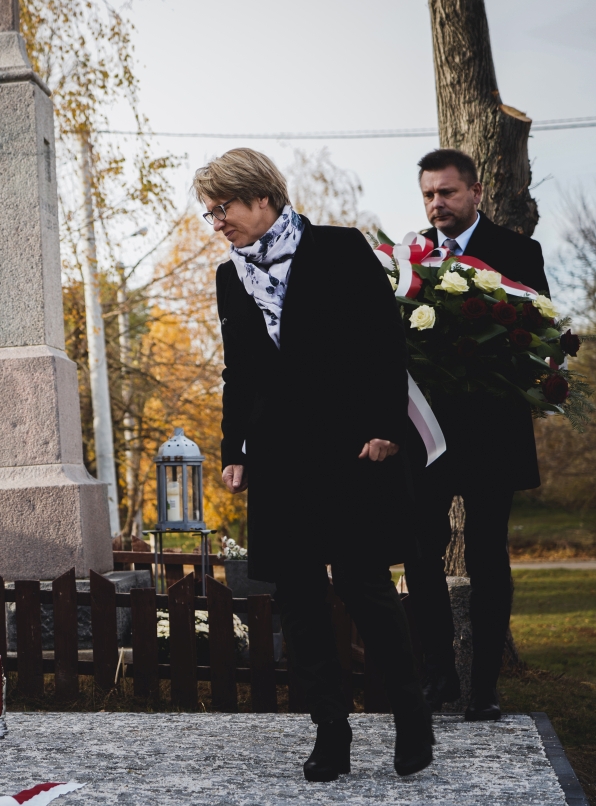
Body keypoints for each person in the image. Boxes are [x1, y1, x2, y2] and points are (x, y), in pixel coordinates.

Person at [202, 148, 432, 781]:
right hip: (278, 459)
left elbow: (386, 342)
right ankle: (331, 731)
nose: (216, 221)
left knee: (364, 587)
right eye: (210, 211)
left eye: (223, 208)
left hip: (349, 450)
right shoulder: (231, 277)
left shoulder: (336, 248)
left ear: (260, 198)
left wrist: (387, 425)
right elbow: (239, 370)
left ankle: (413, 719)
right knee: (299, 600)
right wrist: (232, 448)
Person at [404, 148, 550, 721]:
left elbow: (537, 330)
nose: (437, 203)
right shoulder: (410, 255)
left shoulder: (519, 251)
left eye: (447, 192)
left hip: (492, 433)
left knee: (489, 555)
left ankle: (484, 688)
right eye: (428, 195)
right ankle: (438, 677)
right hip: (427, 435)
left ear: (476, 193)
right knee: (420, 554)